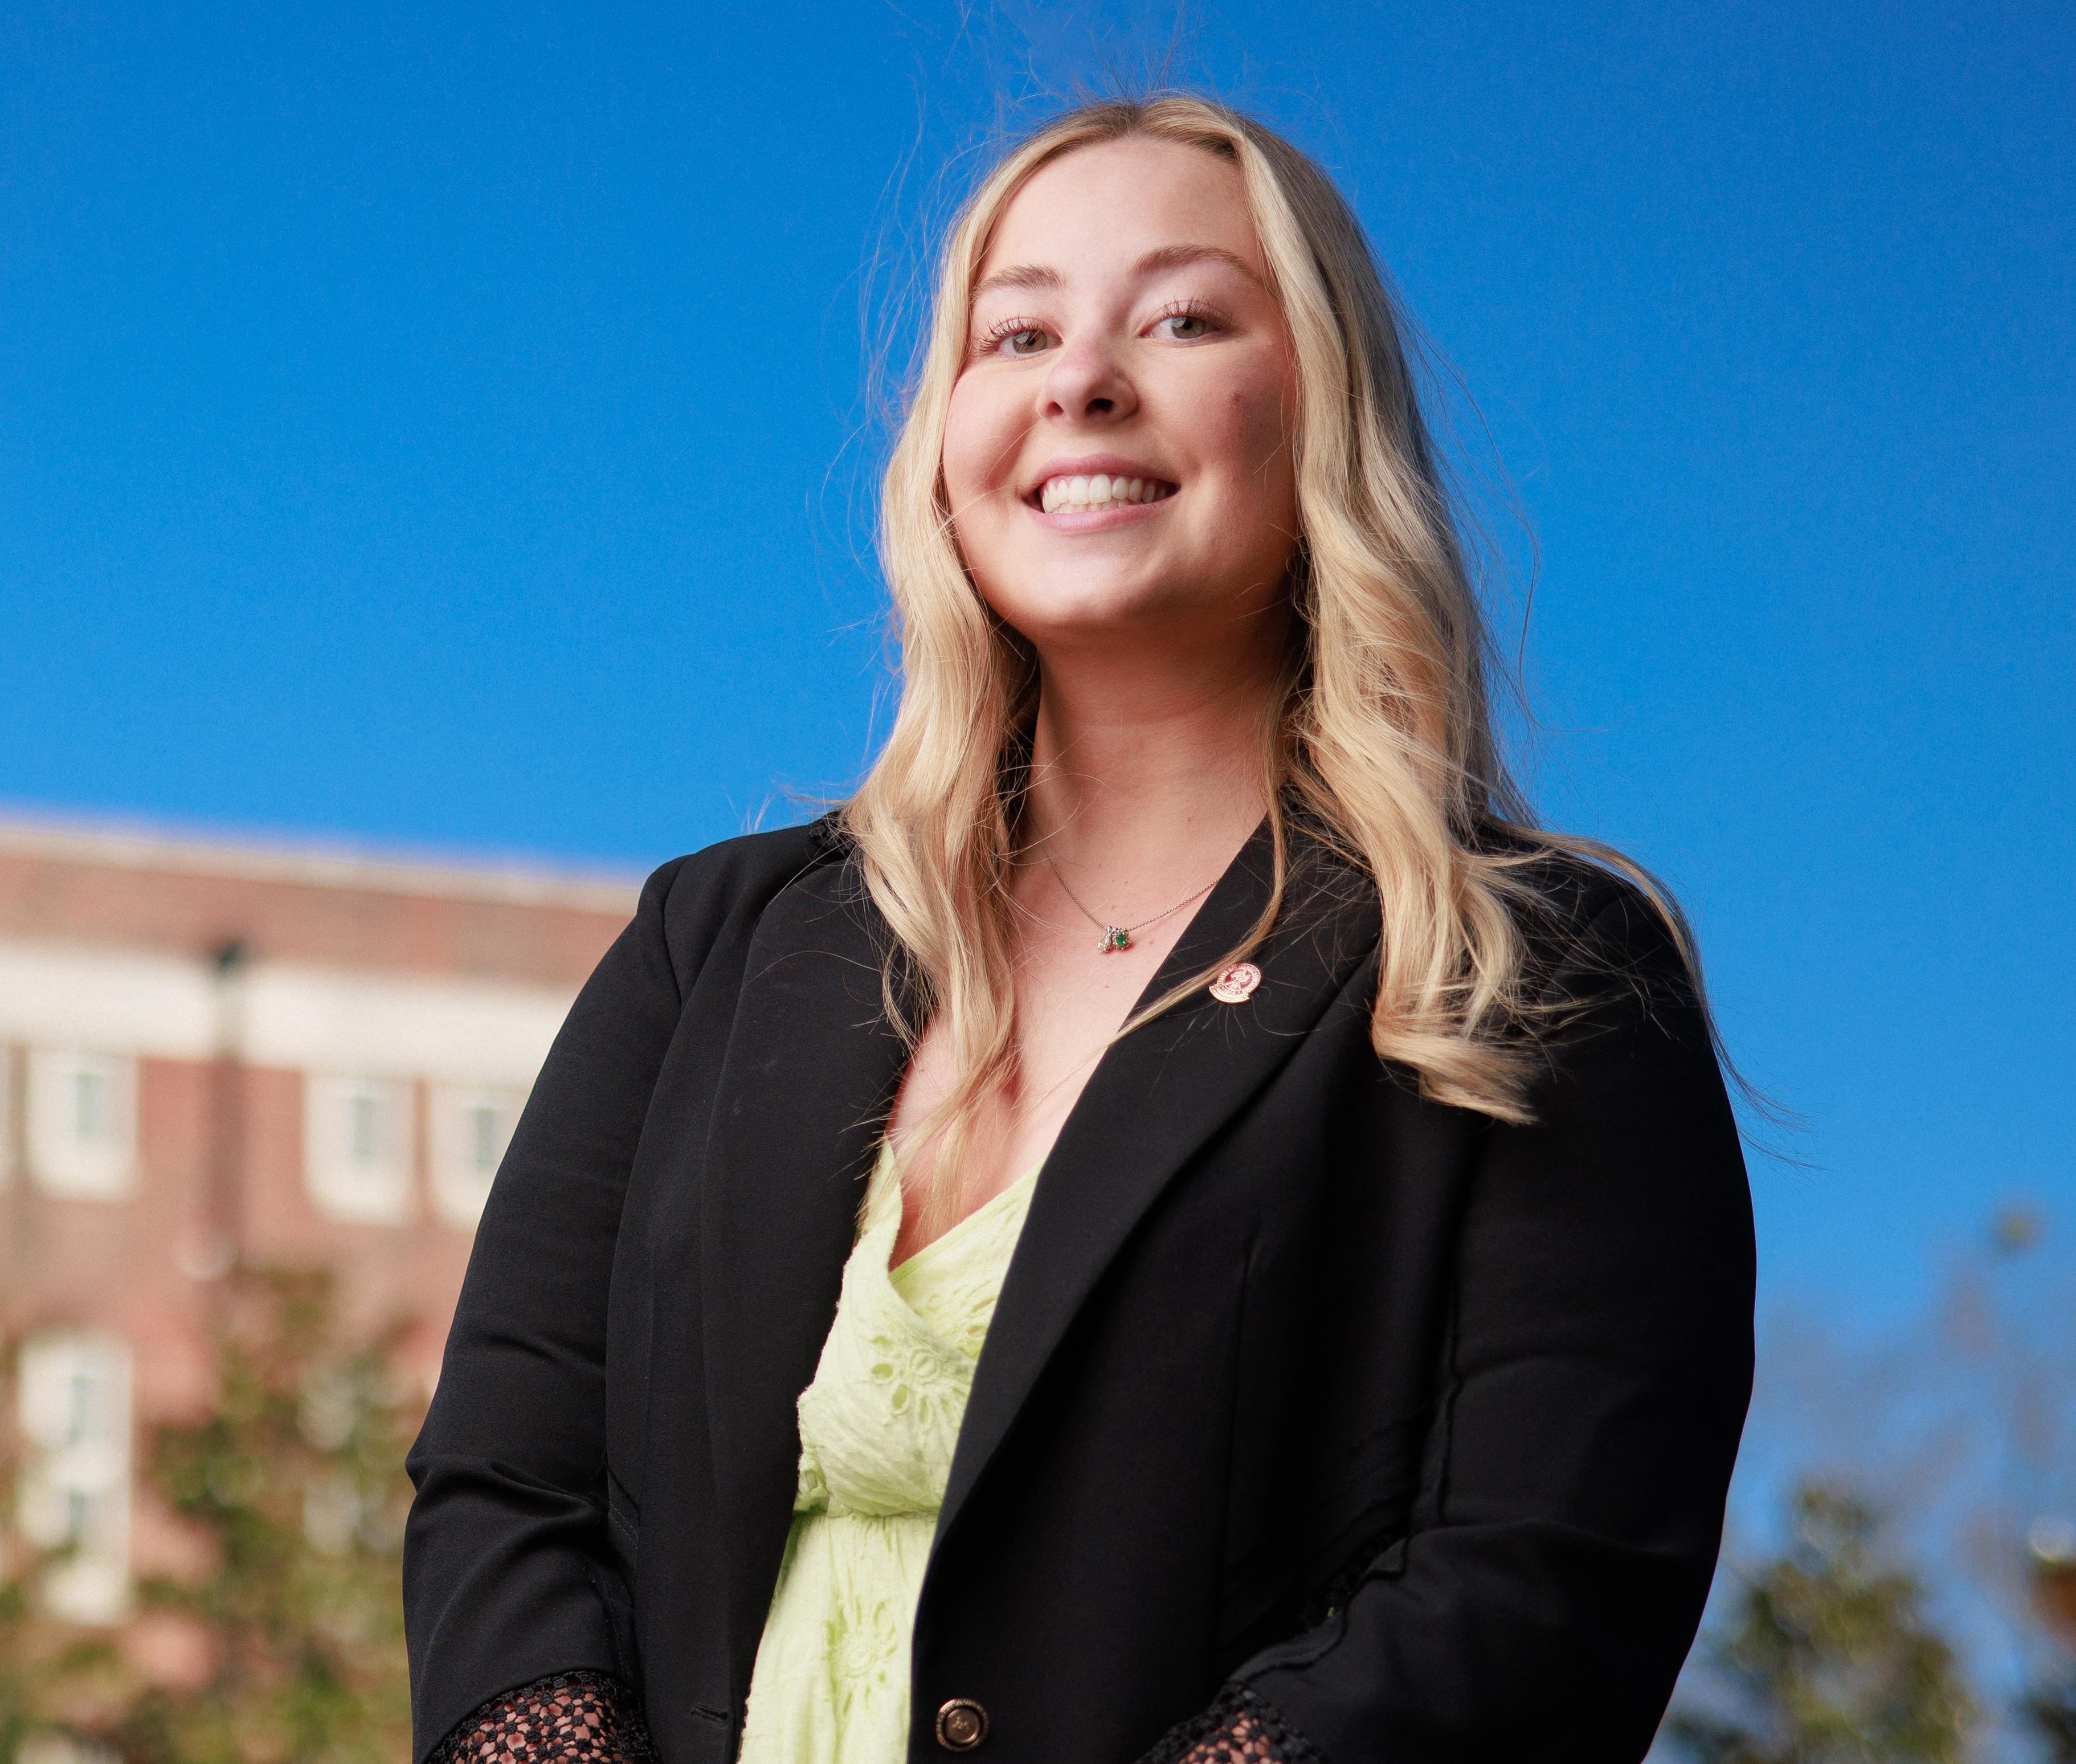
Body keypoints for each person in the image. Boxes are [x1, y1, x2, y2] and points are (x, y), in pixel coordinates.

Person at [403, 95, 1754, 1764]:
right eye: (1018, 329)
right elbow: (503, 1492)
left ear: (1323, 412)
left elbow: (1539, 1588)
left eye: (1183, 319)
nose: (1080, 381)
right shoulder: (715, 945)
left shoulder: (1536, 976)